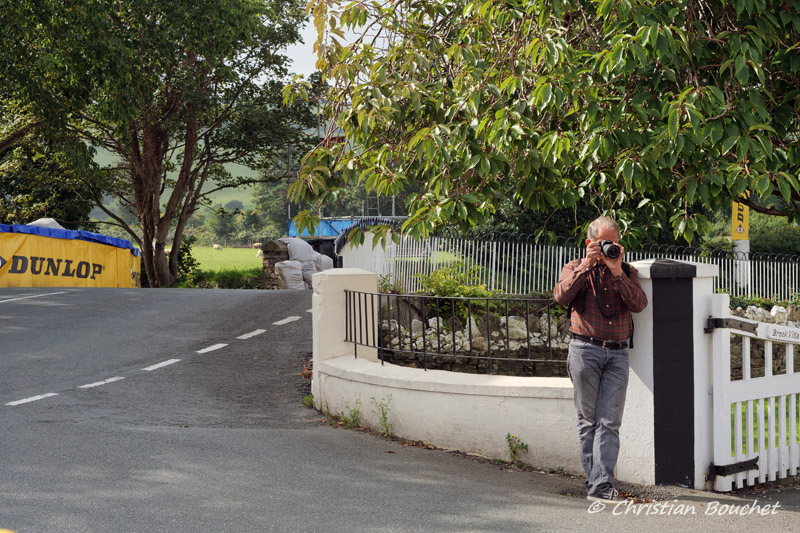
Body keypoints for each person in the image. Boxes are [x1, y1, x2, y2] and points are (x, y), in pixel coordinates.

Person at [553, 216, 647, 502]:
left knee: (610, 422)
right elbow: (561, 295)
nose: (609, 247)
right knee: (587, 420)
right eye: (603, 241)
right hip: (585, 350)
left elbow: (639, 304)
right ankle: (597, 481)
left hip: (618, 353)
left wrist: (616, 270)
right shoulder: (574, 267)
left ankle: (601, 485)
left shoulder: (626, 271)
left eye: (613, 242)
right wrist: (587, 265)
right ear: (589, 243)